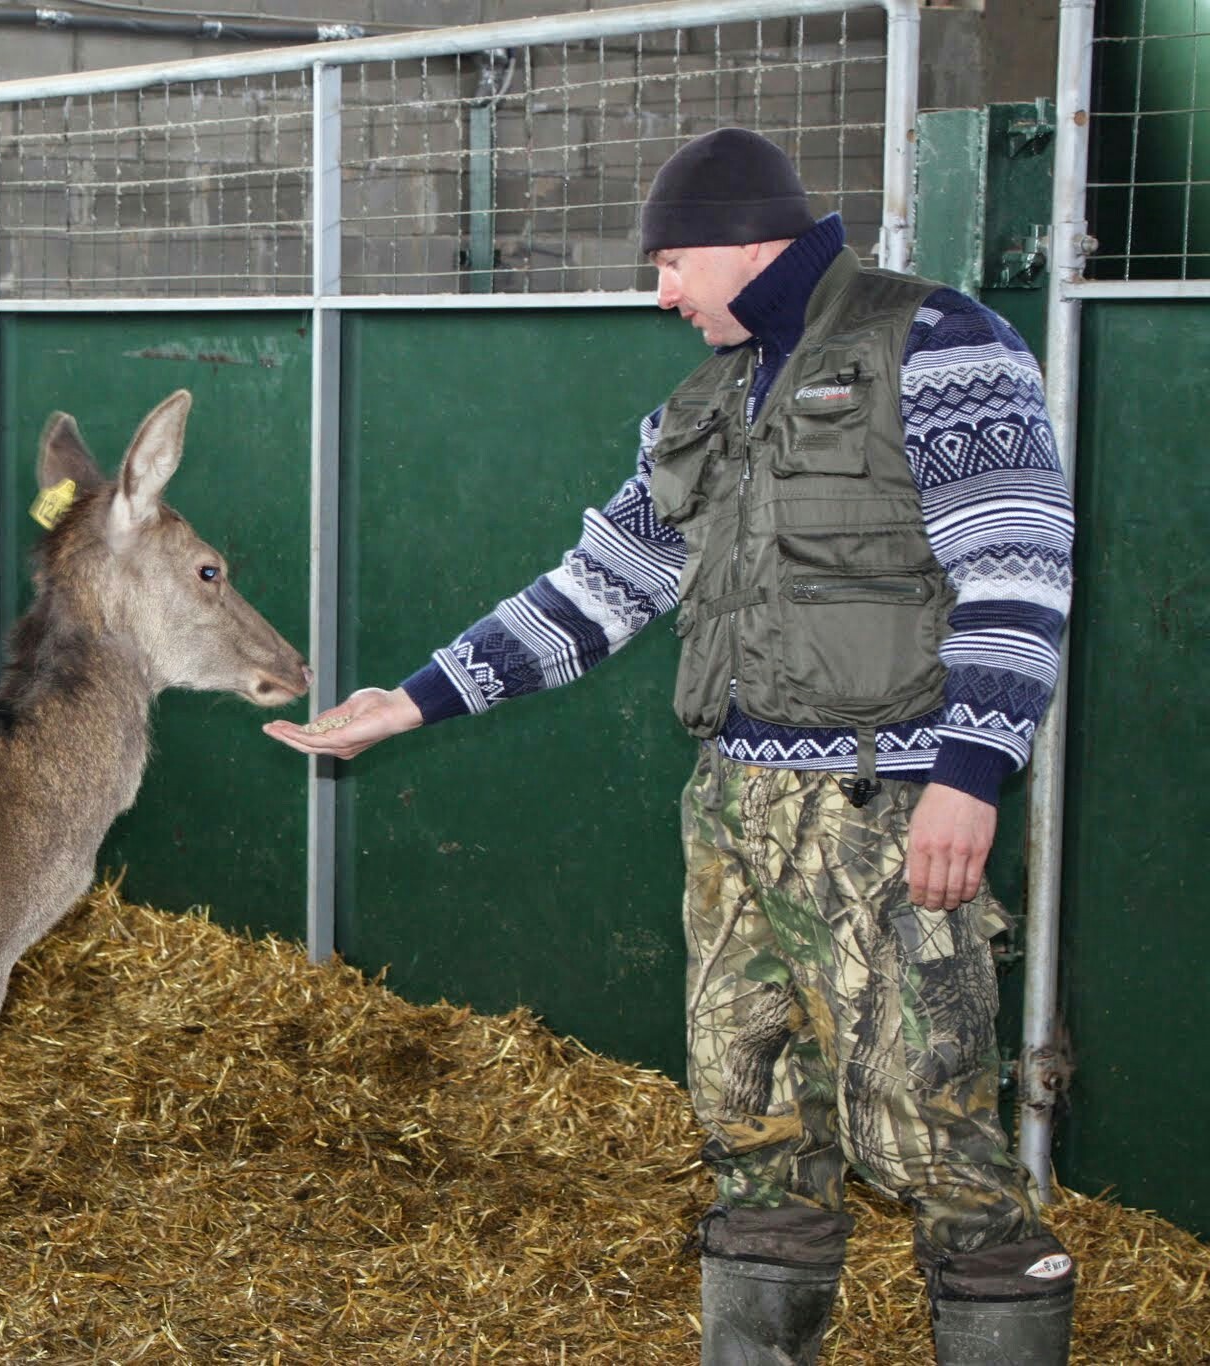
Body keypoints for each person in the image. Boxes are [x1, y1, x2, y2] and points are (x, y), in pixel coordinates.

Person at [265, 127, 1076, 1365]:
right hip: (734, 808)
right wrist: (417, 698)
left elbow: (1014, 566)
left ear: (748, 242)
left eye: (670, 263)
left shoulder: (939, 342)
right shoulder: (706, 399)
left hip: (885, 810)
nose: (660, 293)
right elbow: (604, 585)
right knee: (747, 1121)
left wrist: (968, 776)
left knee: (933, 1136)